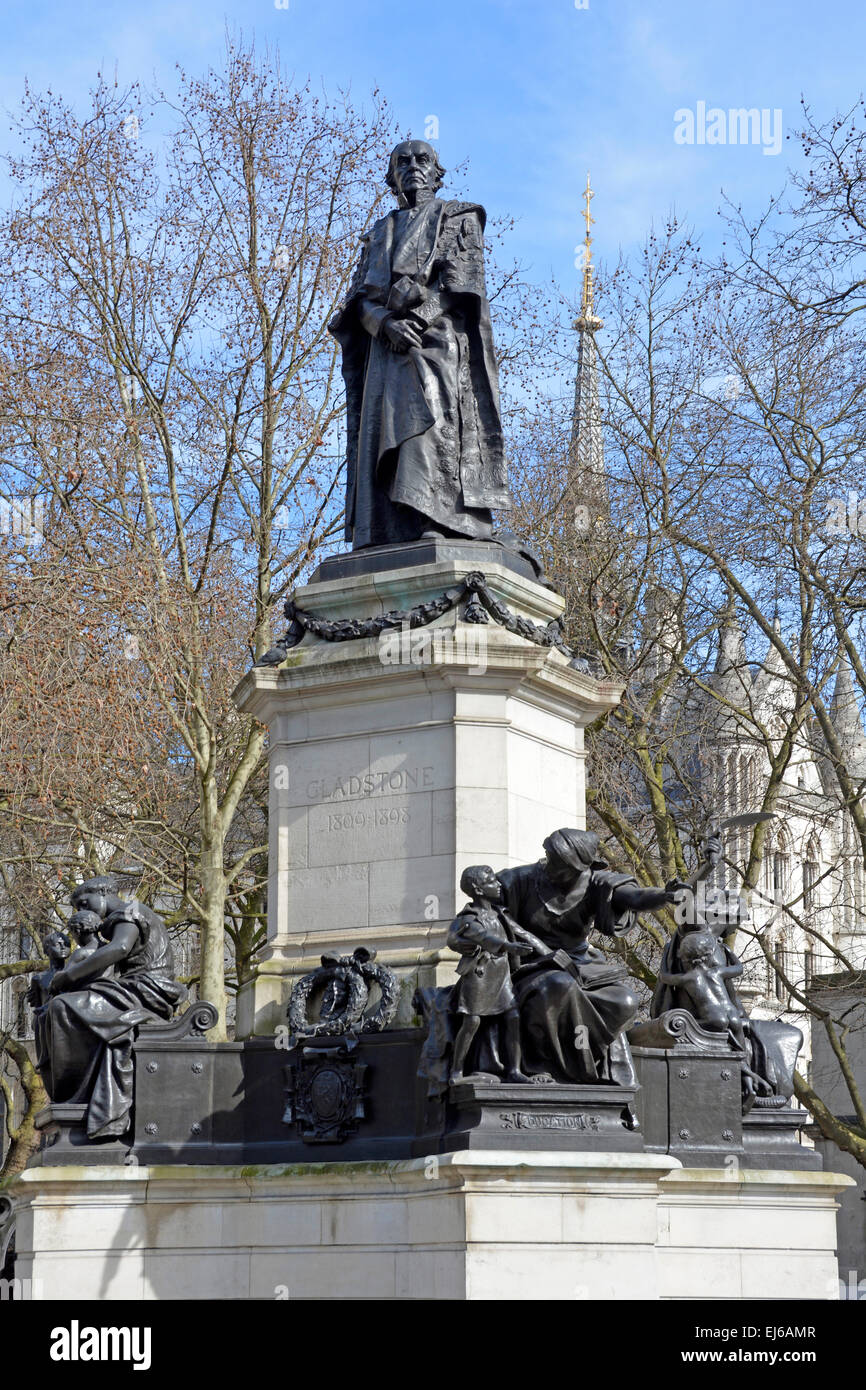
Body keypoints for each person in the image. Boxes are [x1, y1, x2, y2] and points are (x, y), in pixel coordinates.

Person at [329, 140, 511, 548]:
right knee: (382, 431)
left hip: (436, 345)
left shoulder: (458, 217)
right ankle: (388, 527)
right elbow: (357, 301)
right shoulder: (379, 232)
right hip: (385, 347)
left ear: (437, 171)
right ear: (392, 177)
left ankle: (437, 516)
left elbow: (461, 285)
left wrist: (414, 320)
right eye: (403, 162)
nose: (413, 167)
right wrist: (382, 324)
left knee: (432, 427)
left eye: (422, 160)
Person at [497, 828, 680, 1086]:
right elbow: (489, 914)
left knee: (624, 1001)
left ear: (579, 867)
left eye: (559, 862)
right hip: (531, 964)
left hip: (581, 966)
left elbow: (634, 897)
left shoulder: (596, 882)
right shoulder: (519, 880)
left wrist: (663, 895)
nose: (550, 864)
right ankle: (543, 1066)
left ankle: (586, 1063)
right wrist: (541, 951)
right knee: (558, 987)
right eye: (549, 856)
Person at [40, 878, 186, 1139]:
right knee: (53, 1009)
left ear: (104, 893)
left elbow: (120, 948)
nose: (83, 910)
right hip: (132, 987)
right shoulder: (119, 920)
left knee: (63, 1006)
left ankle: (74, 1094)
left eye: (85, 903)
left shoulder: (130, 913)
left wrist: (69, 976)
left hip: (147, 989)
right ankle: (74, 1097)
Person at [447, 865, 546, 1083]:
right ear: (478, 889)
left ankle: (514, 1070)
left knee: (513, 1017)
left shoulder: (500, 913)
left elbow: (523, 933)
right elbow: (483, 937)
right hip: (479, 975)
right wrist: (509, 947)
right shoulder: (468, 917)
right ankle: (456, 1072)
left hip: (501, 974)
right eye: (492, 882)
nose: (499, 885)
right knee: (472, 1022)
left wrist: (549, 954)